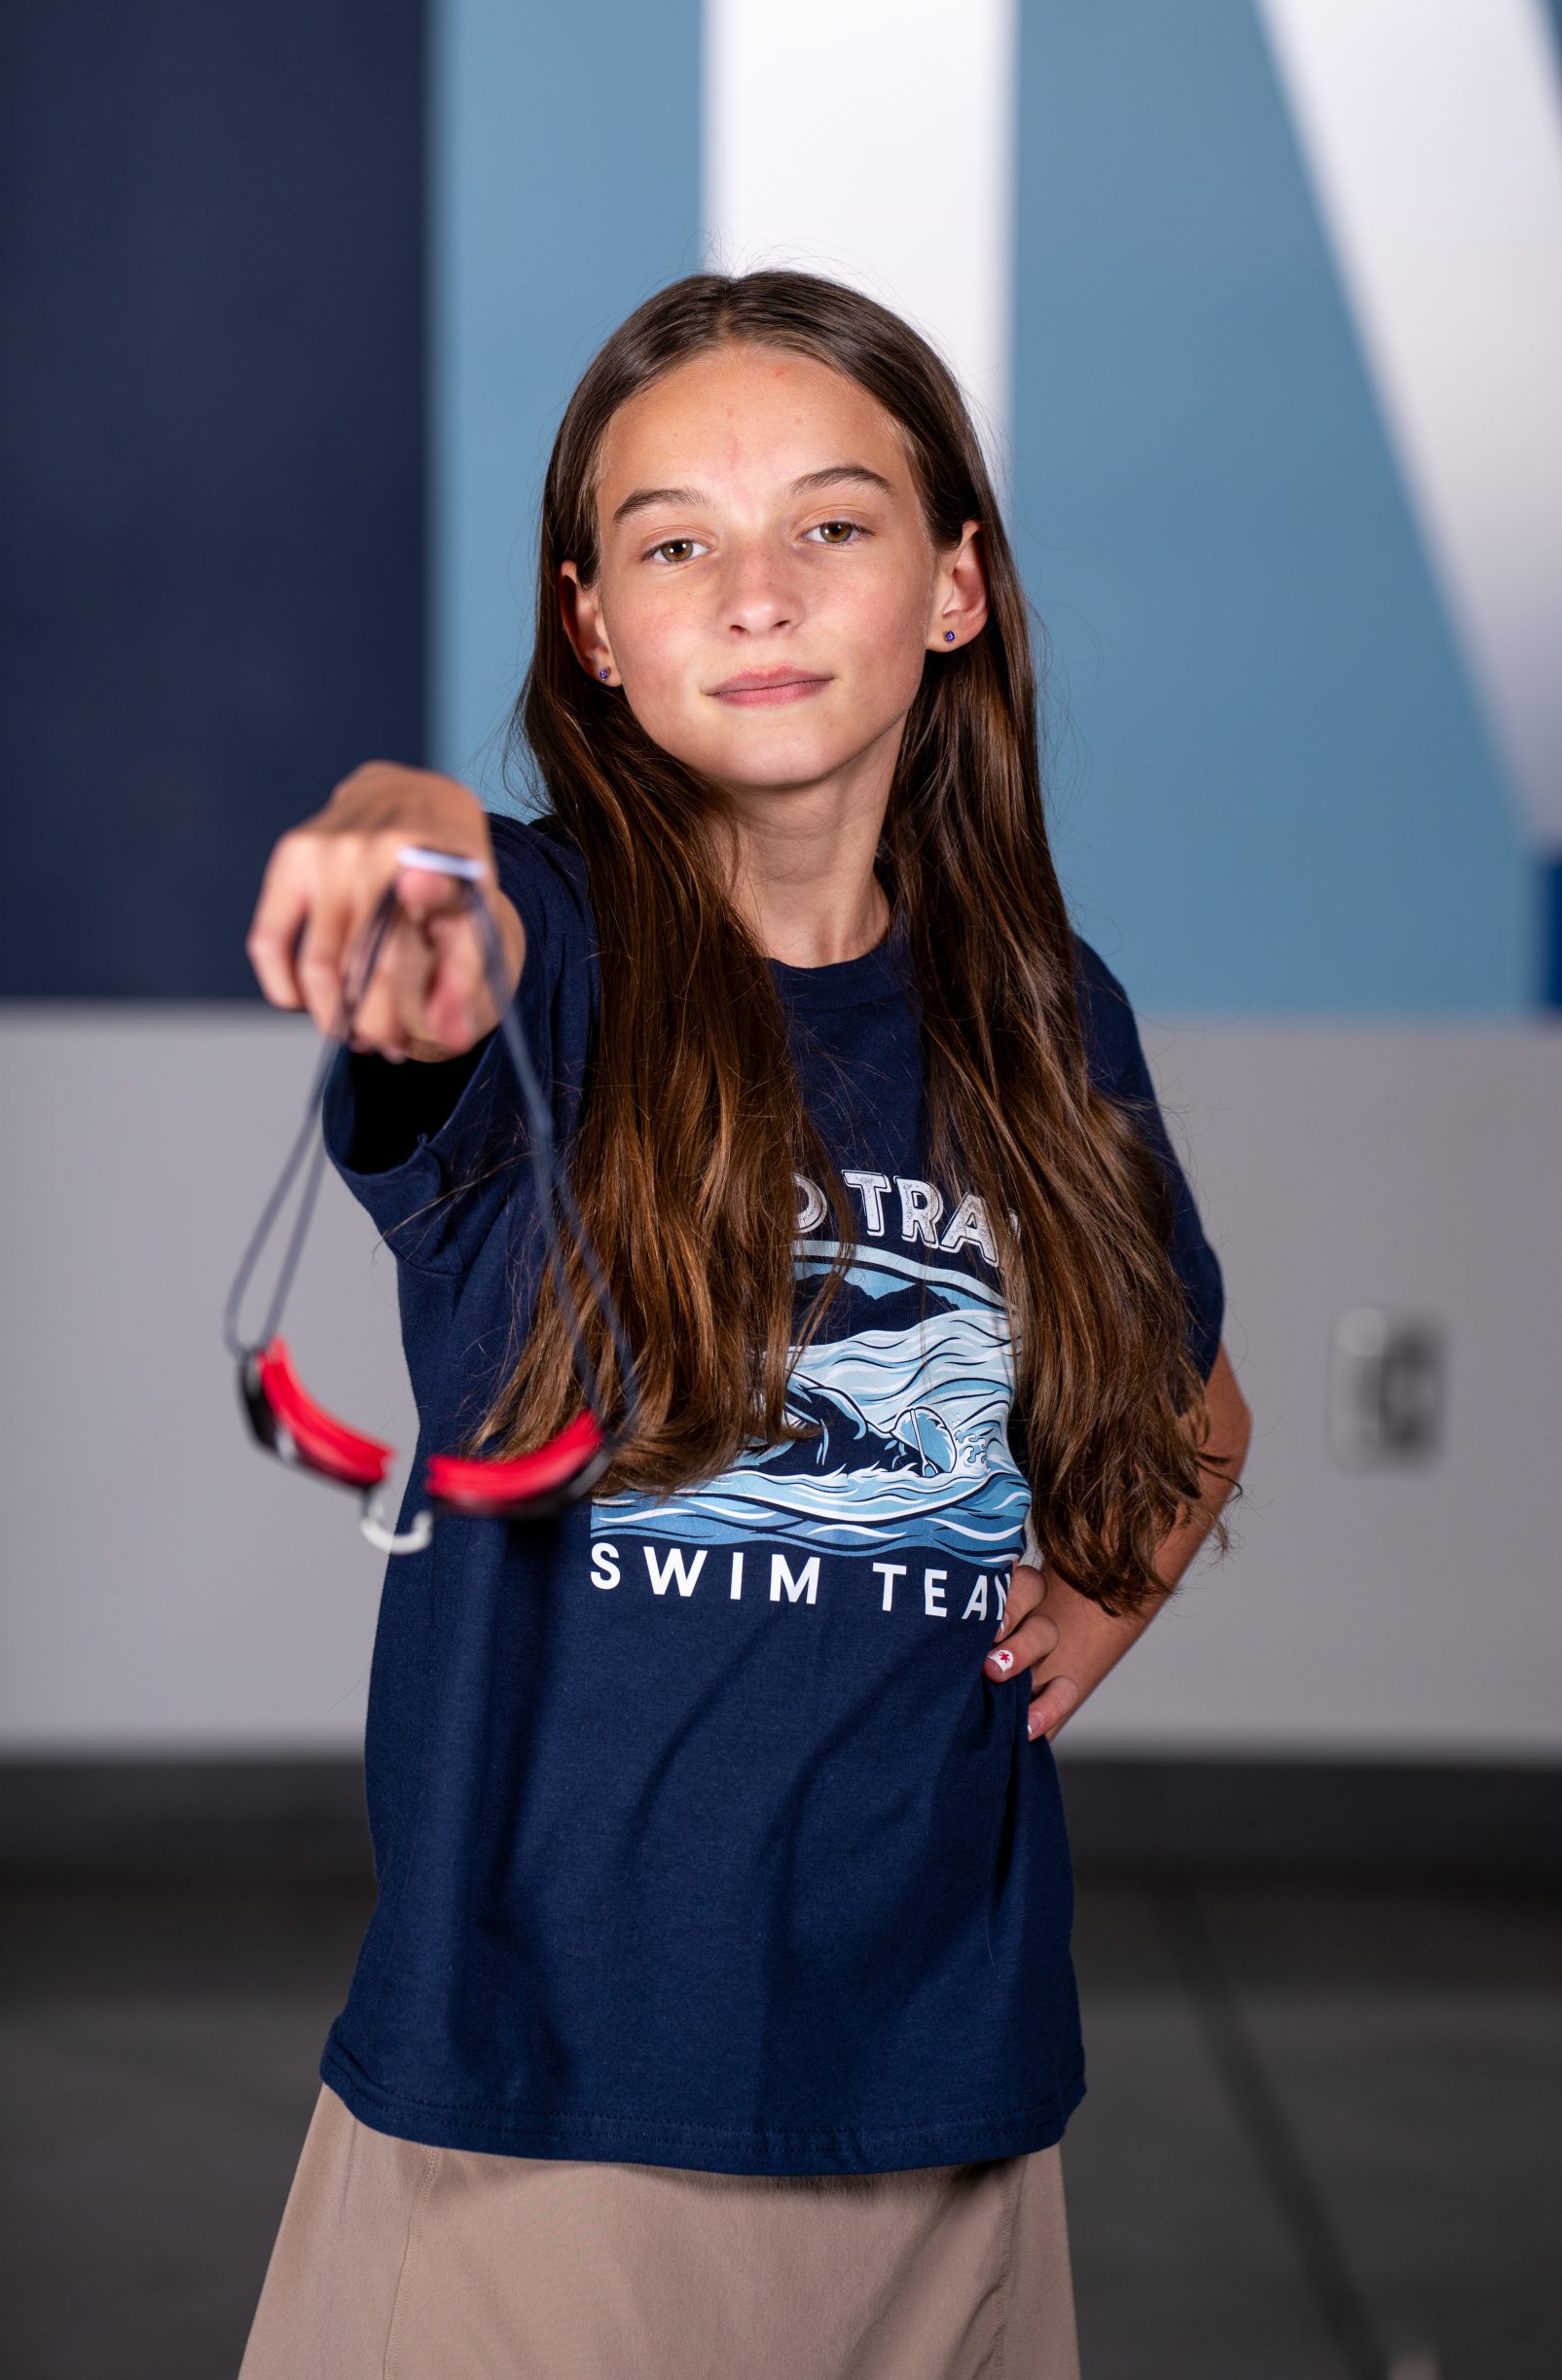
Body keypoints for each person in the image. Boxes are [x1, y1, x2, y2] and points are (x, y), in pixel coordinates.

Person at [237, 270, 1251, 2378]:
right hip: (540, 2122)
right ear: (594, 628)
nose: (757, 593)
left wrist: (1106, 1583)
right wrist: (397, 838)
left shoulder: (1048, 1020)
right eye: (675, 542)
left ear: (953, 586)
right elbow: (438, 890)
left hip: (946, 2103)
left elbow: (1192, 1402)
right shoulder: (547, 953)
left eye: (831, 523)